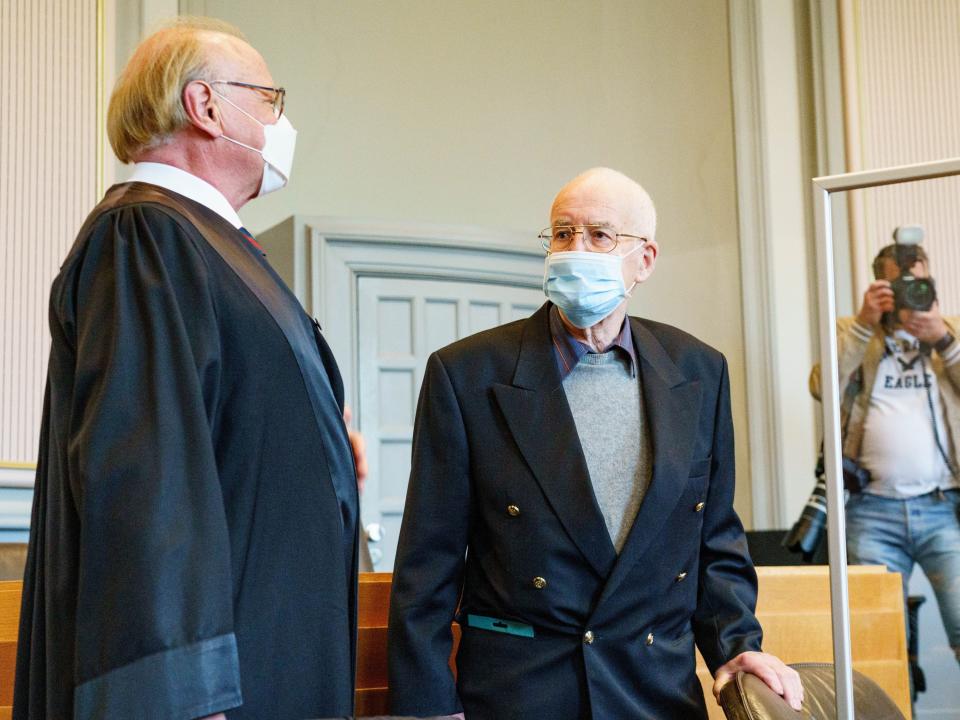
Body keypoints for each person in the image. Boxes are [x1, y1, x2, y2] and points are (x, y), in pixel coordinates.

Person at [14, 18, 366, 720]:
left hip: (265, 651)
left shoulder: (206, 242)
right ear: (205, 106)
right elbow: (148, 476)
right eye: (269, 99)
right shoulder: (146, 236)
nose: (280, 121)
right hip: (214, 692)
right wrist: (180, 695)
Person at [387, 168, 802, 719]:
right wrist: (426, 708)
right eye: (562, 233)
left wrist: (739, 645)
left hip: (655, 689)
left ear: (645, 260)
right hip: (522, 691)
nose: (574, 249)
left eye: (599, 235)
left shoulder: (699, 370)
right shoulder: (465, 374)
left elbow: (714, 540)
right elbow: (428, 564)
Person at [809, 240, 960, 669]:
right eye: (902, 284)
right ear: (881, 285)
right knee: (878, 640)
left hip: (943, 507)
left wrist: (944, 341)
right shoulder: (852, 330)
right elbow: (823, 385)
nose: (914, 292)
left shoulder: (951, 328)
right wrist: (863, 324)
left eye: (921, 282)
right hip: (871, 511)